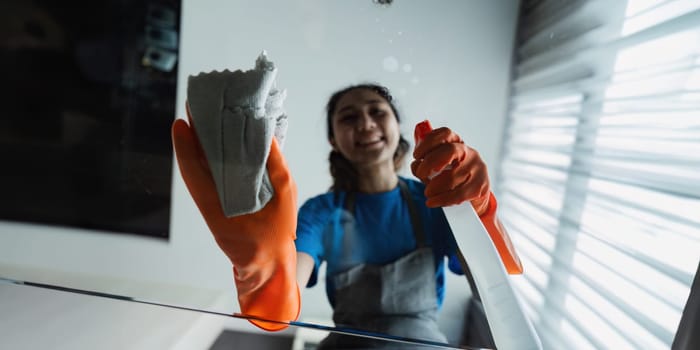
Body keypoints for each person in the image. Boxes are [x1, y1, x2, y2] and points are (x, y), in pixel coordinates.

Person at [171, 83, 521, 348]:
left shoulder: (437, 203)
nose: (366, 124)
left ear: (397, 125)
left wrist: (479, 212)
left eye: (377, 111)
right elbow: (284, 298)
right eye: (349, 118)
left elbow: (489, 290)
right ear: (334, 140)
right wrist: (261, 263)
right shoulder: (320, 212)